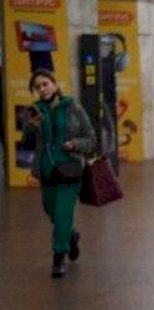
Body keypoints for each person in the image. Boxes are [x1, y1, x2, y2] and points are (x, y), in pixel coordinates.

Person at [24, 69, 97, 278]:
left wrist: (75, 144)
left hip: (70, 168)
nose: (42, 89)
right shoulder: (34, 111)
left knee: (63, 212)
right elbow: (27, 142)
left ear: (54, 84)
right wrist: (31, 126)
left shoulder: (73, 107)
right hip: (46, 169)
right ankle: (72, 236)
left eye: (45, 84)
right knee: (51, 210)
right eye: (37, 87)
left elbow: (91, 138)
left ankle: (59, 257)